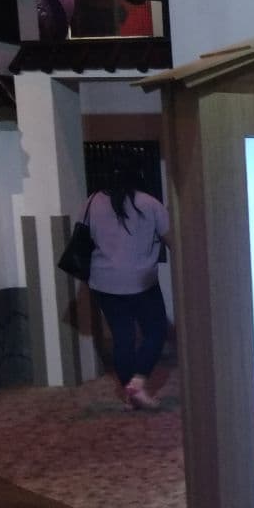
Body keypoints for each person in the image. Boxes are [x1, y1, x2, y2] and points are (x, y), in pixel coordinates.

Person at [84, 156, 173, 410]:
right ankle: (137, 382)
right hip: (142, 281)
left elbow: (84, 236)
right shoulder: (150, 204)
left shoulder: (92, 202)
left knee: (122, 337)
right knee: (156, 331)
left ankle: (128, 393)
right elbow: (172, 240)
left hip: (104, 282)